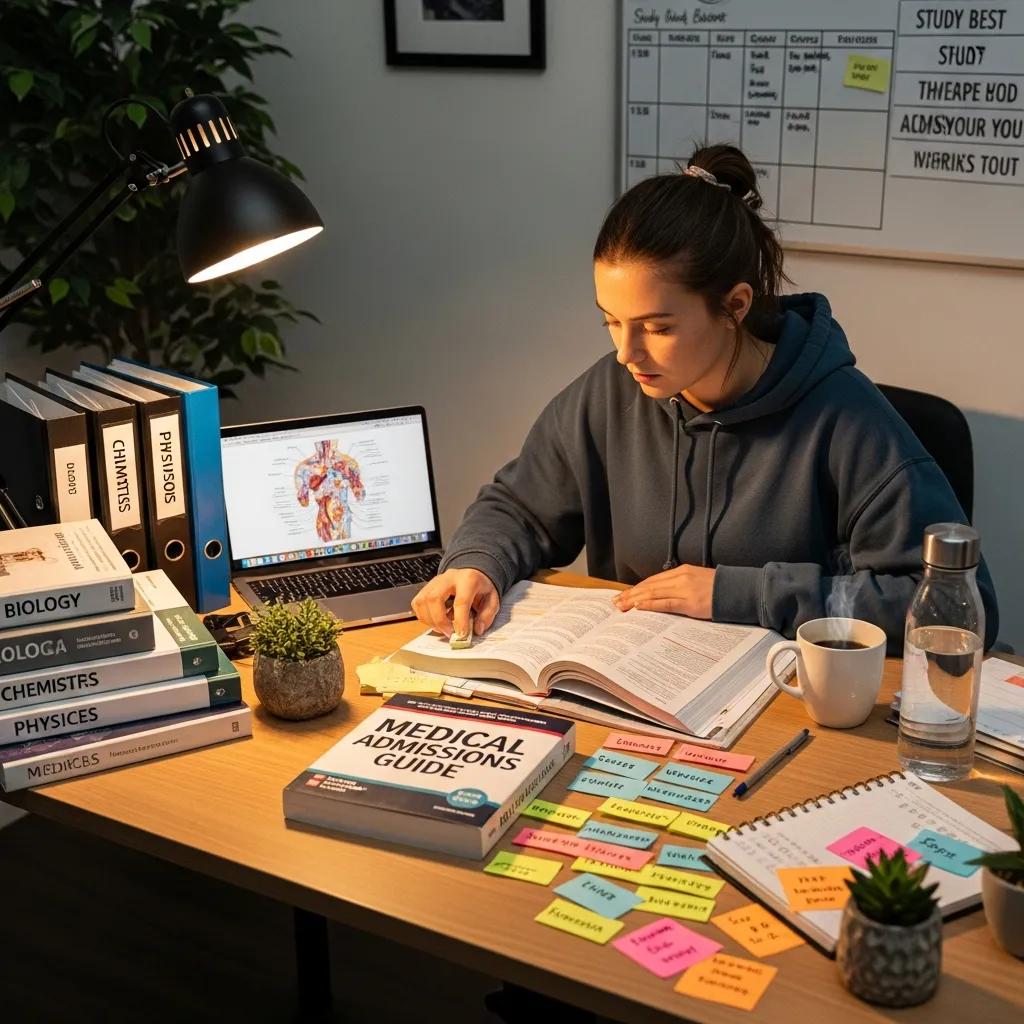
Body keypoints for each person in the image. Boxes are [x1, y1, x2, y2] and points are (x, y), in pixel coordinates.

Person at [413, 144, 999, 654]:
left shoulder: (847, 419)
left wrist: (738, 592)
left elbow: (955, 609)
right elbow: (519, 508)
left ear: (735, 307)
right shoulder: (611, 393)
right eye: (611, 322)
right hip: (640, 691)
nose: (627, 353)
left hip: (787, 710)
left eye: (657, 327)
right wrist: (476, 562)